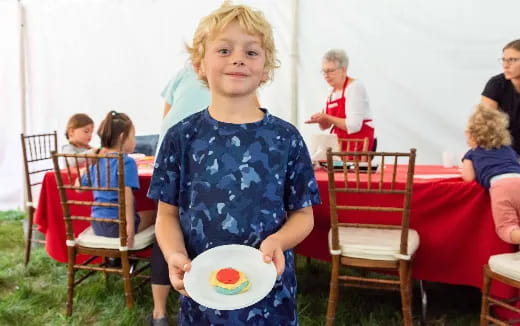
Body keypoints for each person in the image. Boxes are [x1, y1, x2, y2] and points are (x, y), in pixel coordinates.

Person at [147, 3, 320, 325]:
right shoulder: (180, 137)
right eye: (224, 50)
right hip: (201, 295)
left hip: (271, 299)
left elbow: (303, 214)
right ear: (199, 65)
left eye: (251, 52)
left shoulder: (286, 138)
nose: (238, 58)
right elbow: (166, 215)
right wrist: (174, 255)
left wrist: (278, 241)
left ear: (267, 68)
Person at [81, 111, 156, 248]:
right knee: (155, 214)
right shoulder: (126, 162)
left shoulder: (97, 161)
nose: (135, 141)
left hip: (97, 223)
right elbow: (126, 199)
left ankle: (113, 261)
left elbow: (80, 187)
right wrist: (130, 231)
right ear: (122, 138)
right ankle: (154, 262)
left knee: (140, 215)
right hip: (117, 227)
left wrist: (89, 163)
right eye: (133, 137)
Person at [461, 105, 520, 244]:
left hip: (501, 187)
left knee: (506, 227)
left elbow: (468, 178)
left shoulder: (472, 153)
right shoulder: (509, 150)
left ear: (472, 135)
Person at [305, 49, 375, 152]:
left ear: (344, 70)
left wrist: (326, 116)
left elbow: (354, 125)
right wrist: (321, 120)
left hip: (358, 144)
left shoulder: (355, 87)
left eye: (330, 71)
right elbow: (327, 126)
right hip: (340, 144)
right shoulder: (331, 92)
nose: (326, 75)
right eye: (324, 71)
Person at [481, 39, 520, 154]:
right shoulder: (496, 84)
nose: (505, 65)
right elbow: (484, 124)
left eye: (512, 60)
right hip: (504, 152)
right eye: (504, 60)